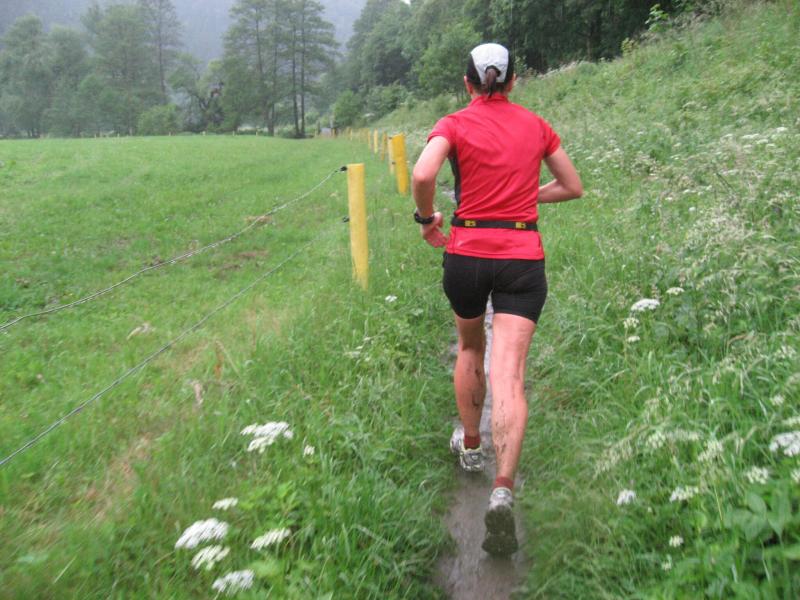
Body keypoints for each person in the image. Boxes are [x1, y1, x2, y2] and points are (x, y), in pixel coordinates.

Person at [411, 43, 583, 557]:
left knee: (470, 348)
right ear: (513, 83)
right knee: (509, 374)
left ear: (468, 83)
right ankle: (503, 490)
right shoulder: (536, 125)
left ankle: (470, 446)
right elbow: (572, 186)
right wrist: (527, 196)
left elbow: (423, 175)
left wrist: (427, 220)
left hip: (466, 253)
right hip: (522, 258)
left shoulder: (453, 123)